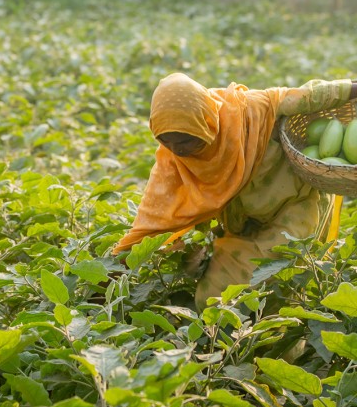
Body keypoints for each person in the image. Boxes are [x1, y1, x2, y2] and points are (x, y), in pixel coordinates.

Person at [112, 72, 357, 309]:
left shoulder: (249, 111)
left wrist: (353, 88)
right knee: (212, 299)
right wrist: (110, 272)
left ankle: (277, 348)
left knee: (276, 286)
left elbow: (308, 96)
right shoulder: (172, 162)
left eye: (186, 140)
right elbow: (150, 220)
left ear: (205, 123)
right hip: (243, 222)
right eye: (166, 140)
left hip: (294, 208)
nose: (178, 150)